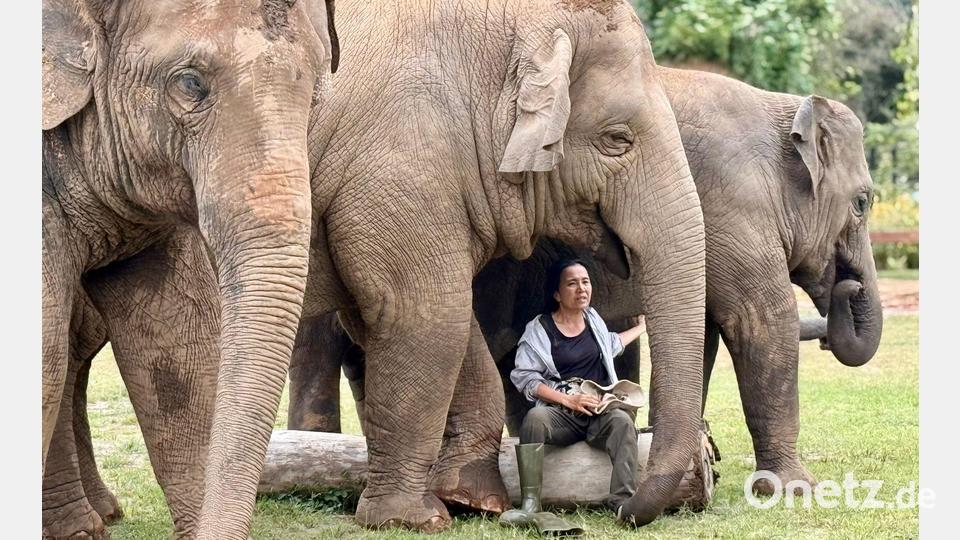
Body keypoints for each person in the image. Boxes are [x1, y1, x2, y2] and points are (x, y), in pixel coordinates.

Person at [509, 258, 647, 516]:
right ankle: (531, 504)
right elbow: (525, 378)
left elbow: (611, 344)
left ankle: (622, 503)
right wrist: (568, 401)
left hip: (598, 412)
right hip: (563, 414)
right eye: (572, 284)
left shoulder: (593, 319)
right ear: (557, 294)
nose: (581, 289)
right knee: (535, 418)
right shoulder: (539, 329)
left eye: (585, 282)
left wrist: (642, 327)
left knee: (622, 422)